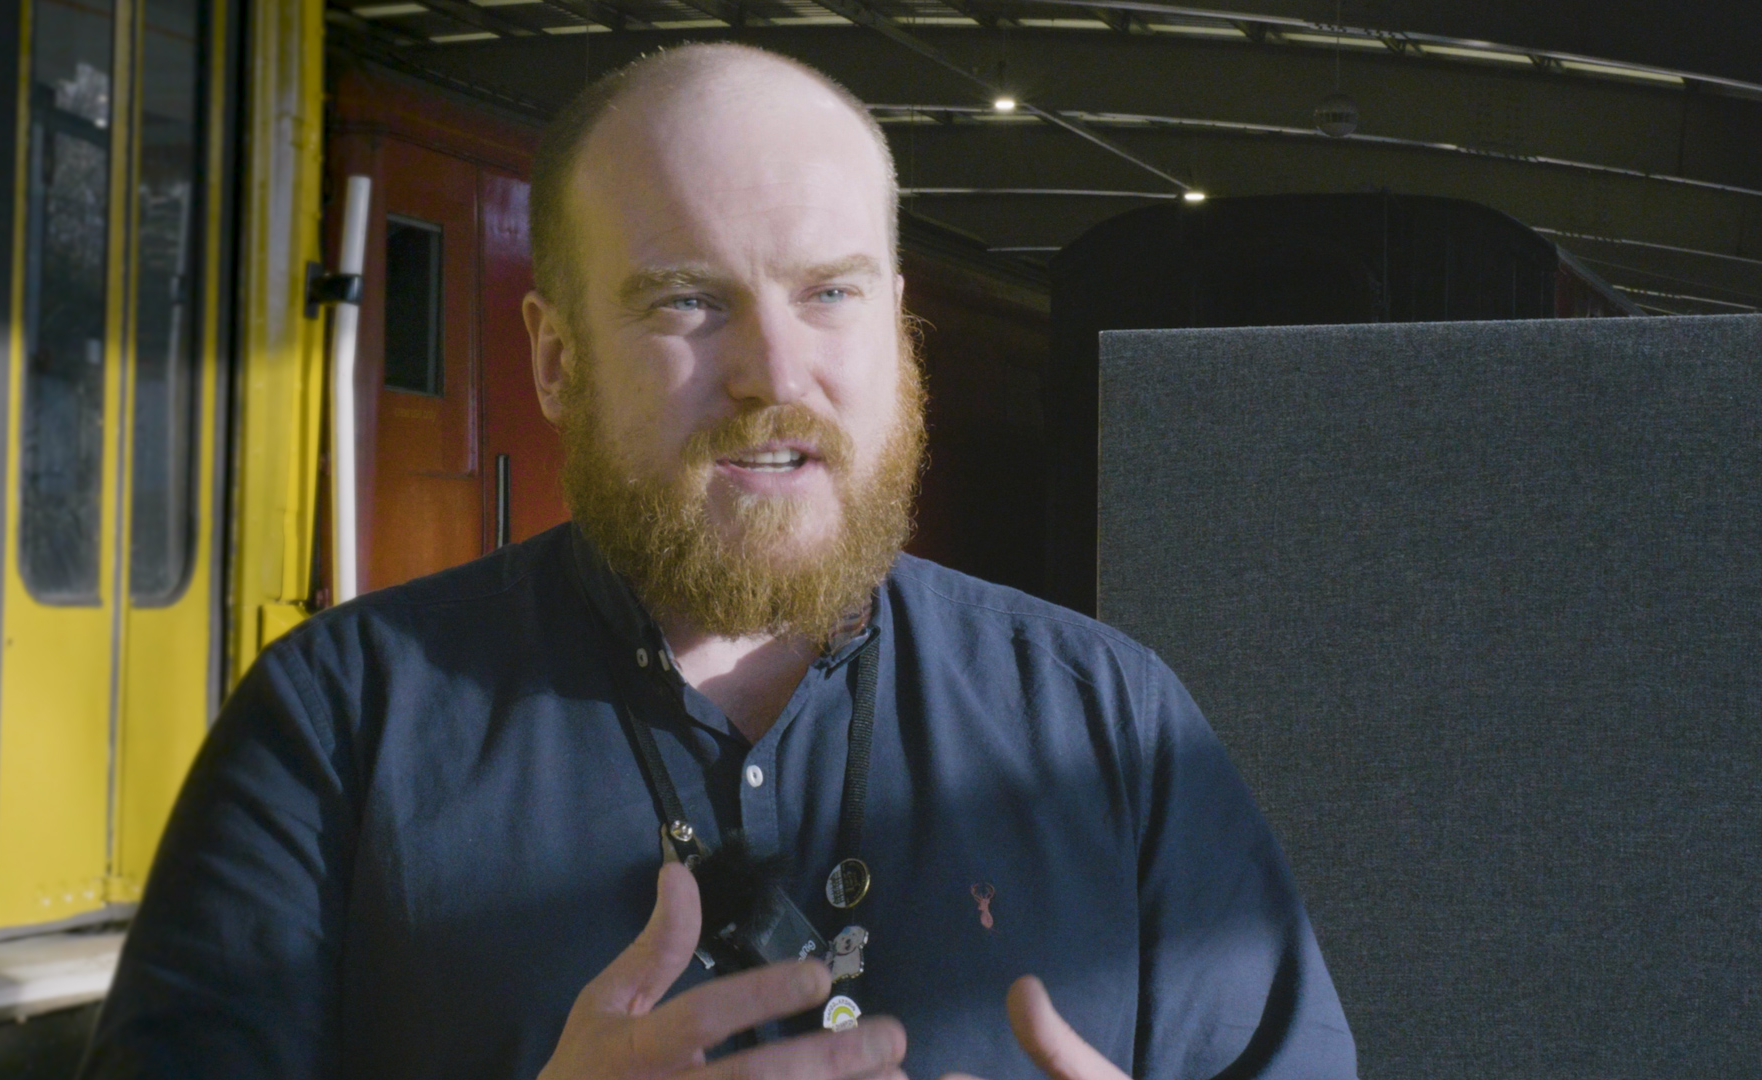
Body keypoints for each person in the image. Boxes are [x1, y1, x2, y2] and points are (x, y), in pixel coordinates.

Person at [79, 43, 1356, 1080]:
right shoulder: (335, 726)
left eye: (831, 293)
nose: (774, 372)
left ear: (898, 330)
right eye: (688, 300)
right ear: (556, 359)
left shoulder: (1113, 723)